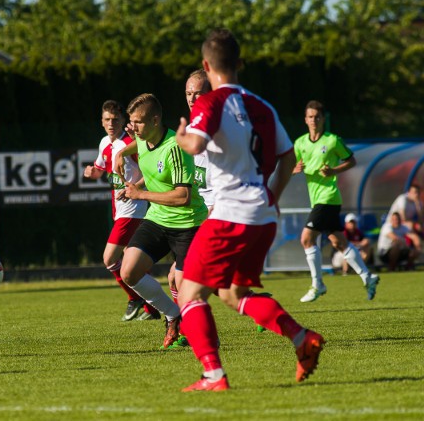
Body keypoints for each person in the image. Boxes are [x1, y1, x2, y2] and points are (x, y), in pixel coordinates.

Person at [175, 28, 324, 391]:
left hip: (229, 215)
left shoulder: (210, 103)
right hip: (262, 216)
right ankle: (301, 338)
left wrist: (181, 135)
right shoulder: (263, 106)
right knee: (233, 294)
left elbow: (194, 144)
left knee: (188, 292)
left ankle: (213, 375)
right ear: (240, 63)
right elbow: (288, 157)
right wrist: (271, 196)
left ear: (206, 65)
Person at [117, 93, 208, 349]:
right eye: (131, 122)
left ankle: (203, 333)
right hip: (158, 218)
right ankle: (173, 315)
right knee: (129, 271)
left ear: (156, 120)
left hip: (189, 224)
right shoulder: (144, 139)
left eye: (139, 123)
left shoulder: (176, 148)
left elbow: (183, 196)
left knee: (185, 288)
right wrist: (121, 153)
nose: (133, 128)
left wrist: (140, 193)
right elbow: (141, 148)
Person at [293, 100, 379, 302]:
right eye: (310, 116)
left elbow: (352, 160)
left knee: (306, 239)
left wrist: (333, 171)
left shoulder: (332, 141)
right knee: (338, 241)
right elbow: (291, 166)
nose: (314, 120)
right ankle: (368, 276)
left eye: (317, 116)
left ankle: (318, 285)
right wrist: (293, 170)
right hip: (317, 200)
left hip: (329, 197)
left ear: (323, 119)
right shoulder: (300, 143)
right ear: (305, 120)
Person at [83, 100, 158, 321]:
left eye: (116, 119)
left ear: (123, 121)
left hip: (133, 210)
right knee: (132, 261)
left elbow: (151, 171)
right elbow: (99, 170)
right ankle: (152, 309)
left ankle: (135, 298)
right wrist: (91, 172)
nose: (111, 123)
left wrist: (137, 187)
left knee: (109, 259)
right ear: (102, 122)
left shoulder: (130, 144)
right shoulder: (105, 143)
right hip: (120, 209)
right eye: (107, 119)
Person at [386, 184, 423, 249]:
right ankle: (412, 247)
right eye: (415, 192)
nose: (416, 195)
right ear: (409, 192)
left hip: (407, 225)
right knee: (413, 227)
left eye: (418, 193)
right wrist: (415, 225)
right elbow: (402, 218)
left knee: (419, 226)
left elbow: (421, 220)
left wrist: (417, 205)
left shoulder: (418, 202)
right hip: (396, 224)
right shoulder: (402, 199)